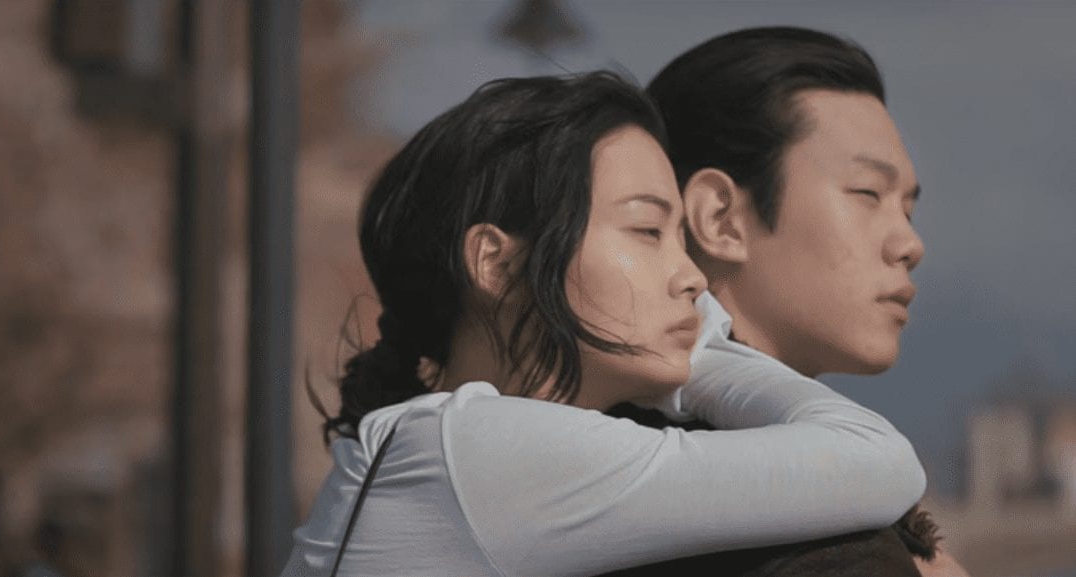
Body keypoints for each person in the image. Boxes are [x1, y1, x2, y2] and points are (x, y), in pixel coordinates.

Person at [281, 71, 925, 577]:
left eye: (681, 239)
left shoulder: (456, 449)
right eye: (646, 231)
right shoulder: (474, 448)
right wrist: (702, 353)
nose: (692, 279)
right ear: (496, 263)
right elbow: (874, 460)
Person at [604, 26, 969, 576]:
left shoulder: (604, 463)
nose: (909, 244)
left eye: (908, 210)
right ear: (720, 218)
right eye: (867, 194)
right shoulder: (803, 530)